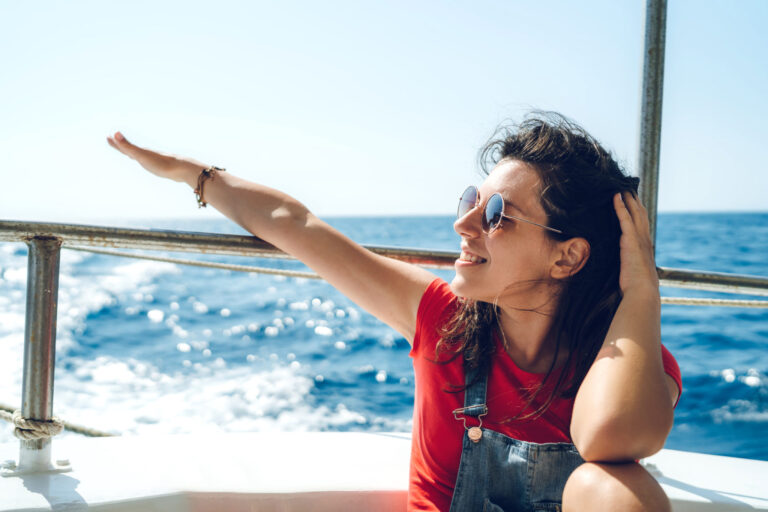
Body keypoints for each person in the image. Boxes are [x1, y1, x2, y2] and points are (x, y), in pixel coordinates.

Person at [107, 111, 681, 511]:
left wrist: (641, 292)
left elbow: (610, 435)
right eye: (470, 202)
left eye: (497, 213)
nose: (463, 225)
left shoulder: (626, 368)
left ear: (568, 257)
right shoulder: (442, 320)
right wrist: (195, 175)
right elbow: (298, 227)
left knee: (613, 491)